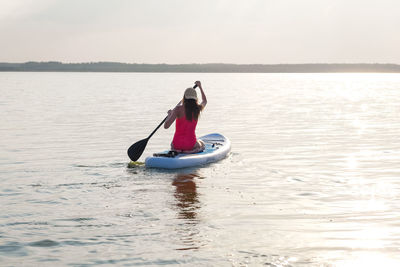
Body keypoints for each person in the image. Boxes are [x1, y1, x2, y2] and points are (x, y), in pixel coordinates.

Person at [164, 81, 207, 153]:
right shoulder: (198, 108)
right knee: (202, 144)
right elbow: (204, 101)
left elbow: (166, 126)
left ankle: (176, 150)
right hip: (190, 144)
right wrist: (200, 87)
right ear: (195, 98)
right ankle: (192, 151)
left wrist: (169, 115)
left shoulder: (177, 109)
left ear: (184, 97)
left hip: (176, 144)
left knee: (172, 144)